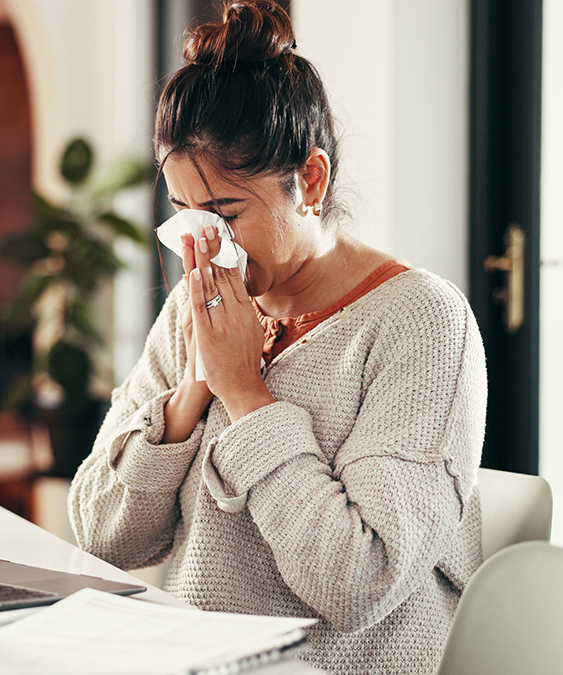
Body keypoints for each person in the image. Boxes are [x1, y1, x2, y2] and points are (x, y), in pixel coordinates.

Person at [67, 2, 486, 673]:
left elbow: (360, 581)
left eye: (226, 213)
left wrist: (244, 393)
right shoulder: (193, 310)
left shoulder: (420, 322)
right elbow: (99, 533)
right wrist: (192, 393)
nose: (204, 245)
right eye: (184, 213)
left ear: (310, 180)